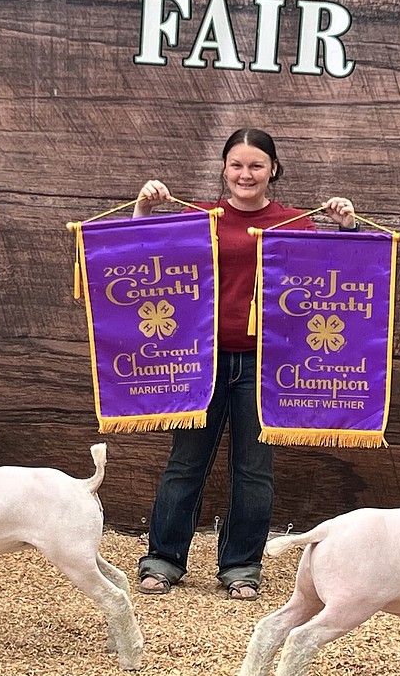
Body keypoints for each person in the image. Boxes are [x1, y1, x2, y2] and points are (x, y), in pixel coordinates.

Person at [134, 127, 357, 601]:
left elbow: (341, 266)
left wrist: (348, 225)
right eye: (237, 164)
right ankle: (164, 558)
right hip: (202, 360)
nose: (245, 174)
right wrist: (143, 210)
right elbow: (145, 253)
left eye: (256, 165)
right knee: (186, 462)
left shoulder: (296, 223)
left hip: (267, 362)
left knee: (254, 468)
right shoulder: (200, 217)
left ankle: (241, 565)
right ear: (224, 169)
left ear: (273, 170)